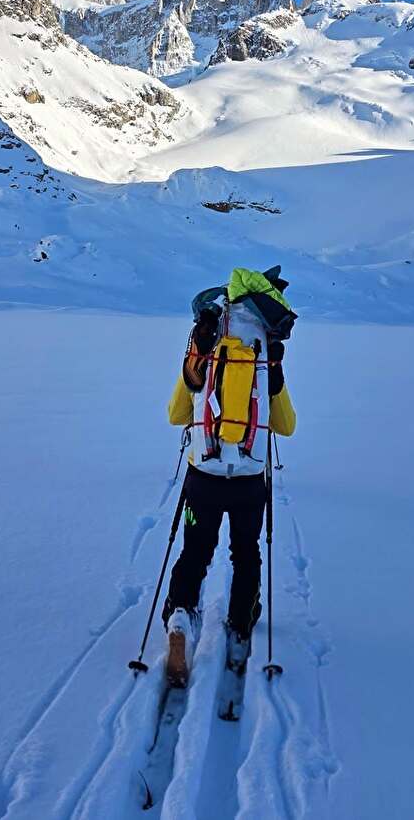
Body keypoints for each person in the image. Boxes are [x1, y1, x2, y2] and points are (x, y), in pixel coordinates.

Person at [161, 267, 297, 687]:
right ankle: (241, 621)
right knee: (246, 552)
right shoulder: (263, 357)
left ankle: (180, 617)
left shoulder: (204, 353)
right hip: (250, 479)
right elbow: (286, 425)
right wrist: (273, 378)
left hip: (203, 474)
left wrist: (194, 371)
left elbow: (176, 416)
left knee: (195, 551)